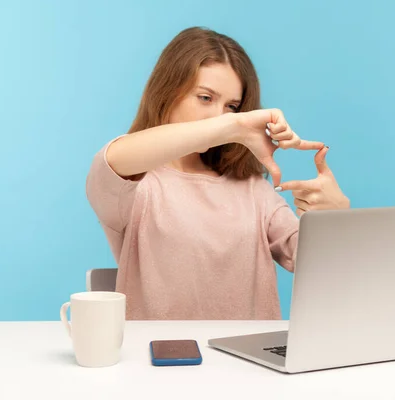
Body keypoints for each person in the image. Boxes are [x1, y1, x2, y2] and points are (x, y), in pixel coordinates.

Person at [86, 26, 350, 320]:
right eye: (205, 98)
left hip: (246, 361)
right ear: (168, 91)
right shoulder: (135, 184)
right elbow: (112, 159)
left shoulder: (252, 189)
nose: (219, 116)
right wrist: (231, 126)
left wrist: (336, 218)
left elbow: (314, 262)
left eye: (232, 107)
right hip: (160, 360)